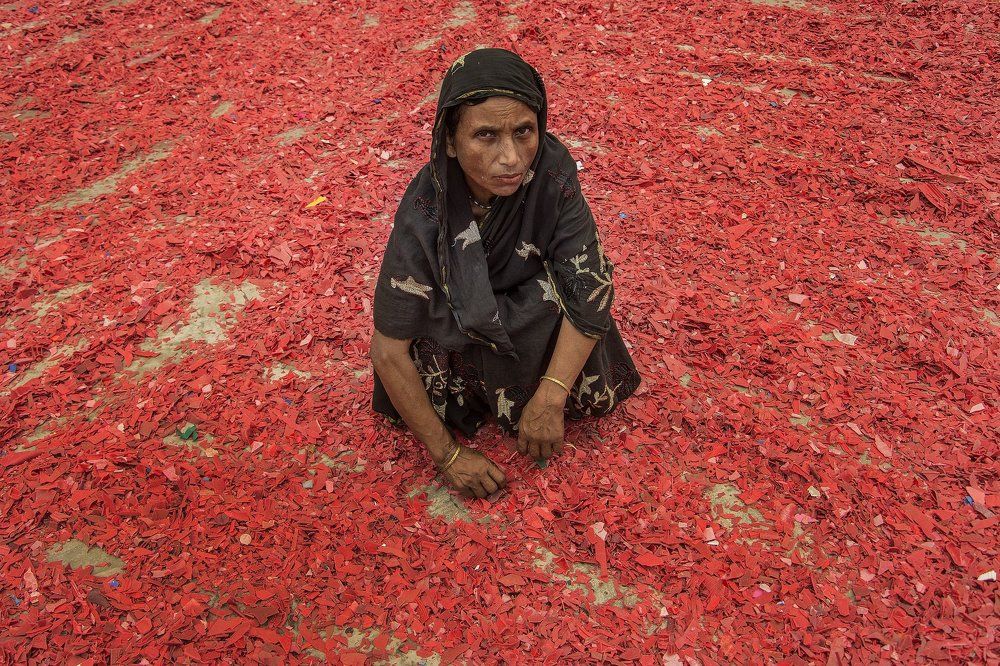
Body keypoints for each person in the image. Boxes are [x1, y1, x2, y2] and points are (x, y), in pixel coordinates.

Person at [370, 48, 640, 499]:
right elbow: (387, 348)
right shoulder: (425, 211)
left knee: (567, 289)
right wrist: (449, 456)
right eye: (486, 136)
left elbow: (589, 286)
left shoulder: (551, 173)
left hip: (529, 310)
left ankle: (537, 381)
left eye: (523, 132)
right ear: (451, 142)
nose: (512, 158)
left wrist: (552, 395)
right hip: (457, 331)